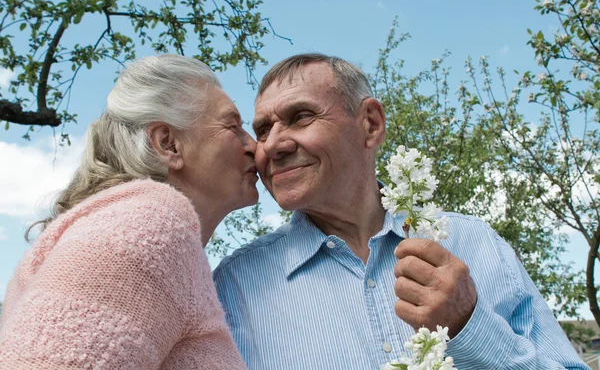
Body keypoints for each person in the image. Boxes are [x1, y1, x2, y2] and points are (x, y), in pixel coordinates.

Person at [213, 53, 589, 370]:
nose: (273, 145)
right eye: (263, 129)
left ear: (371, 125)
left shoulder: (475, 243)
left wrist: (470, 327)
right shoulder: (233, 287)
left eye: (300, 117)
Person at [0, 54, 257, 369]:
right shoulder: (149, 221)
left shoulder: (124, 225)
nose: (254, 146)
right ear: (168, 144)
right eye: (233, 126)